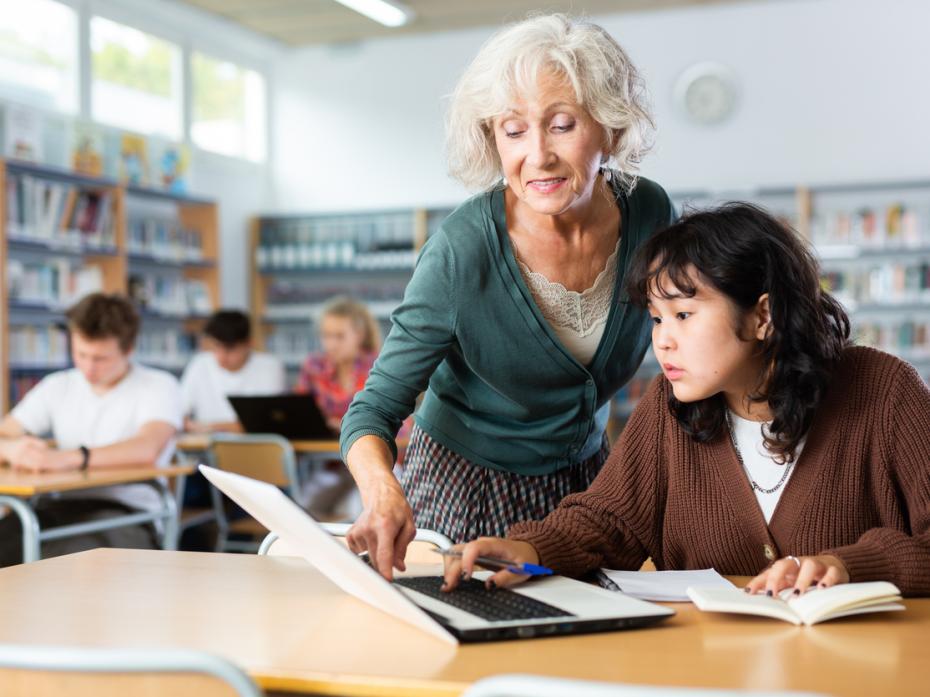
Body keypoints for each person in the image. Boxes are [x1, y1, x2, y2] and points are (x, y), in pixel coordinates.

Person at [441, 203, 930, 598]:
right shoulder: (668, 407)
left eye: (683, 314)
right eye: (656, 318)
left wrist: (848, 565)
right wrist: (528, 547)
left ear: (763, 316)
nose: (663, 341)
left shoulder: (885, 391)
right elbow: (608, 523)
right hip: (706, 672)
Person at [340, 13, 676, 579]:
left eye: (562, 125)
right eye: (513, 130)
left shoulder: (650, 215)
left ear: (611, 129)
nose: (537, 155)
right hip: (464, 489)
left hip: (588, 487)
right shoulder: (461, 251)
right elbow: (371, 411)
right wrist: (382, 492)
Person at [0, 293, 183, 565]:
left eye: (100, 358)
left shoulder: (158, 386)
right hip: (56, 507)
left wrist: (67, 458)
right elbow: (7, 431)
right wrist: (12, 449)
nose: (88, 367)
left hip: (128, 514)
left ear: (129, 349)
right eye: (80, 354)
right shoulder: (58, 385)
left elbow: (147, 448)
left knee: (59, 562)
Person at [181, 309, 286, 433]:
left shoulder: (269, 367)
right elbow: (179, 416)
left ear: (249, 344)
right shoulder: (199, 364)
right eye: (216, 346)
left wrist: (209, 427)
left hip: (256, 447)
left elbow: (268, 422)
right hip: (206, 448)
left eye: (229, 348)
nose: (221, 356)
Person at [296, 296, 382, 434]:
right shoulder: (313, 367)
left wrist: (343, 426)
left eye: (339, 336)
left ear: (359, 335)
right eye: (326, 335)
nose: (331, 345)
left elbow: (396, 423)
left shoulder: (379, 367)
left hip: (367, 449)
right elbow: (297, 412)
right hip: (319, 449)